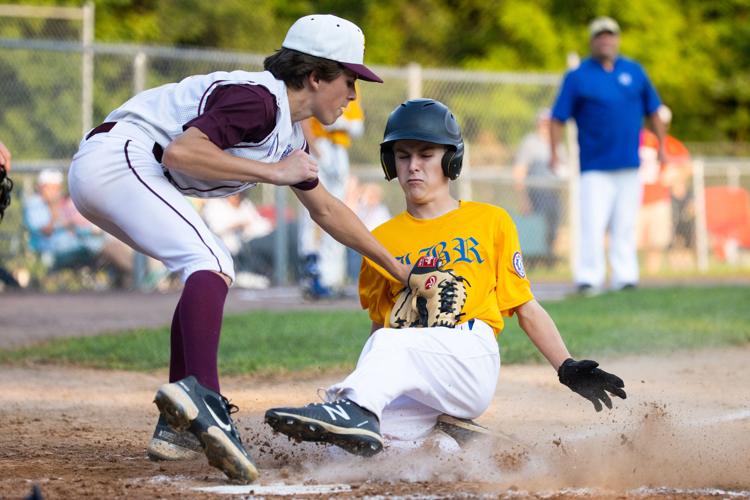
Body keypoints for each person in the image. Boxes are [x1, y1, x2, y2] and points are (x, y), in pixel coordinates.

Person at [67, 14, 409, 483]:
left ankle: (179, 423)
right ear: (314, 76)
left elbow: (328, 210)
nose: (353, 94)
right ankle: (203, 397)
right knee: (210, 259)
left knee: (200, 262)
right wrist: (275, 174)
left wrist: (398, 269)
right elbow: (180, 154)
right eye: (349, 80)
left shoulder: (288, 130)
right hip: (120, 159)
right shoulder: (259, 100)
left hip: (116, 168)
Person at [265, 99, 626, 457]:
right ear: (390, 163)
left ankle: (354, 410)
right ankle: (460, 446)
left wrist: (566, 366)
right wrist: (372, 384)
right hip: (412, 369)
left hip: (469, 355)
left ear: (451, 160)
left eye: (426, 154)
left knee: (388, 350)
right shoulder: (380, 241)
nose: (413, 167)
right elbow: (380, 328)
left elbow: (524, 305)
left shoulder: (490, 221)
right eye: (403, 156)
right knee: (350, 452)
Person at [550, 16, 666, 293]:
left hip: (629, 163)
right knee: (592, 223)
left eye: (610, 35)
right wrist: (555, 153)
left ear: (617, 39)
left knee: (625, 224)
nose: (606, 40)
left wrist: (662, 146)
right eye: (600, 36)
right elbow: (557, 118)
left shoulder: (634, 71)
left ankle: (625, 276)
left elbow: (654, 111)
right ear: (592, 41)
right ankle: (589, 277)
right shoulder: (578, 76)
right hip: (594, 165)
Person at [298, 90, 365, 298]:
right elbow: (305, 119)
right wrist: (316, 149)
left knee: (337, 213)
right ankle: (312, 273)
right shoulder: (319, 80)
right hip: (321, 147)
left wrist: (341, 123)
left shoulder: (350, 86)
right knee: (313, 213)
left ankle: (331, 277)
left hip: (338, 152)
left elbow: (357, 125)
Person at [23, 169, 133, 282]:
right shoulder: (34, 204)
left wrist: (89, 229)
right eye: (52, 188)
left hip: (77, 244)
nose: (56, 192)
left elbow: (74, 226)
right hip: (55, 250)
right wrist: (55, 209)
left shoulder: (61, 203)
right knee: (109, 248)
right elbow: (46, 231)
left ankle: (132, 278)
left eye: (58, 188)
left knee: (113, 242)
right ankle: (138, 276)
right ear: (42, 187)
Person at [637, 105, 691, 273]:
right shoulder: (636, 139)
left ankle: (651, 278)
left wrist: (674, 178)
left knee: (656, 244)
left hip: (658, 200)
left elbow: (687, 167)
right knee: (630, 243)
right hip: (634, 200)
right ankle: (628, 276)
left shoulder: (670, 144)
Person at [512, 108, 566, 267]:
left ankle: (549, 260)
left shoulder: (557, 144)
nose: (546, 126)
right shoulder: (530, 142)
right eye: (543, 123)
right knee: (536, 229)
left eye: (548, 123)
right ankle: (532, 261)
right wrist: (522, 197)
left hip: (554, 193)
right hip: (536, 193)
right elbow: (520, 170)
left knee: (553, 228)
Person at [202, 193, 277, 288]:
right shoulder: (215, 204)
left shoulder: (245, 204)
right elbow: (215, 229)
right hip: (225, 245)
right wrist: (238, 224)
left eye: (239, 194)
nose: (236, 196)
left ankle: (257, 275)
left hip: (251, 242)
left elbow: (257, 223)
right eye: (234, 195)